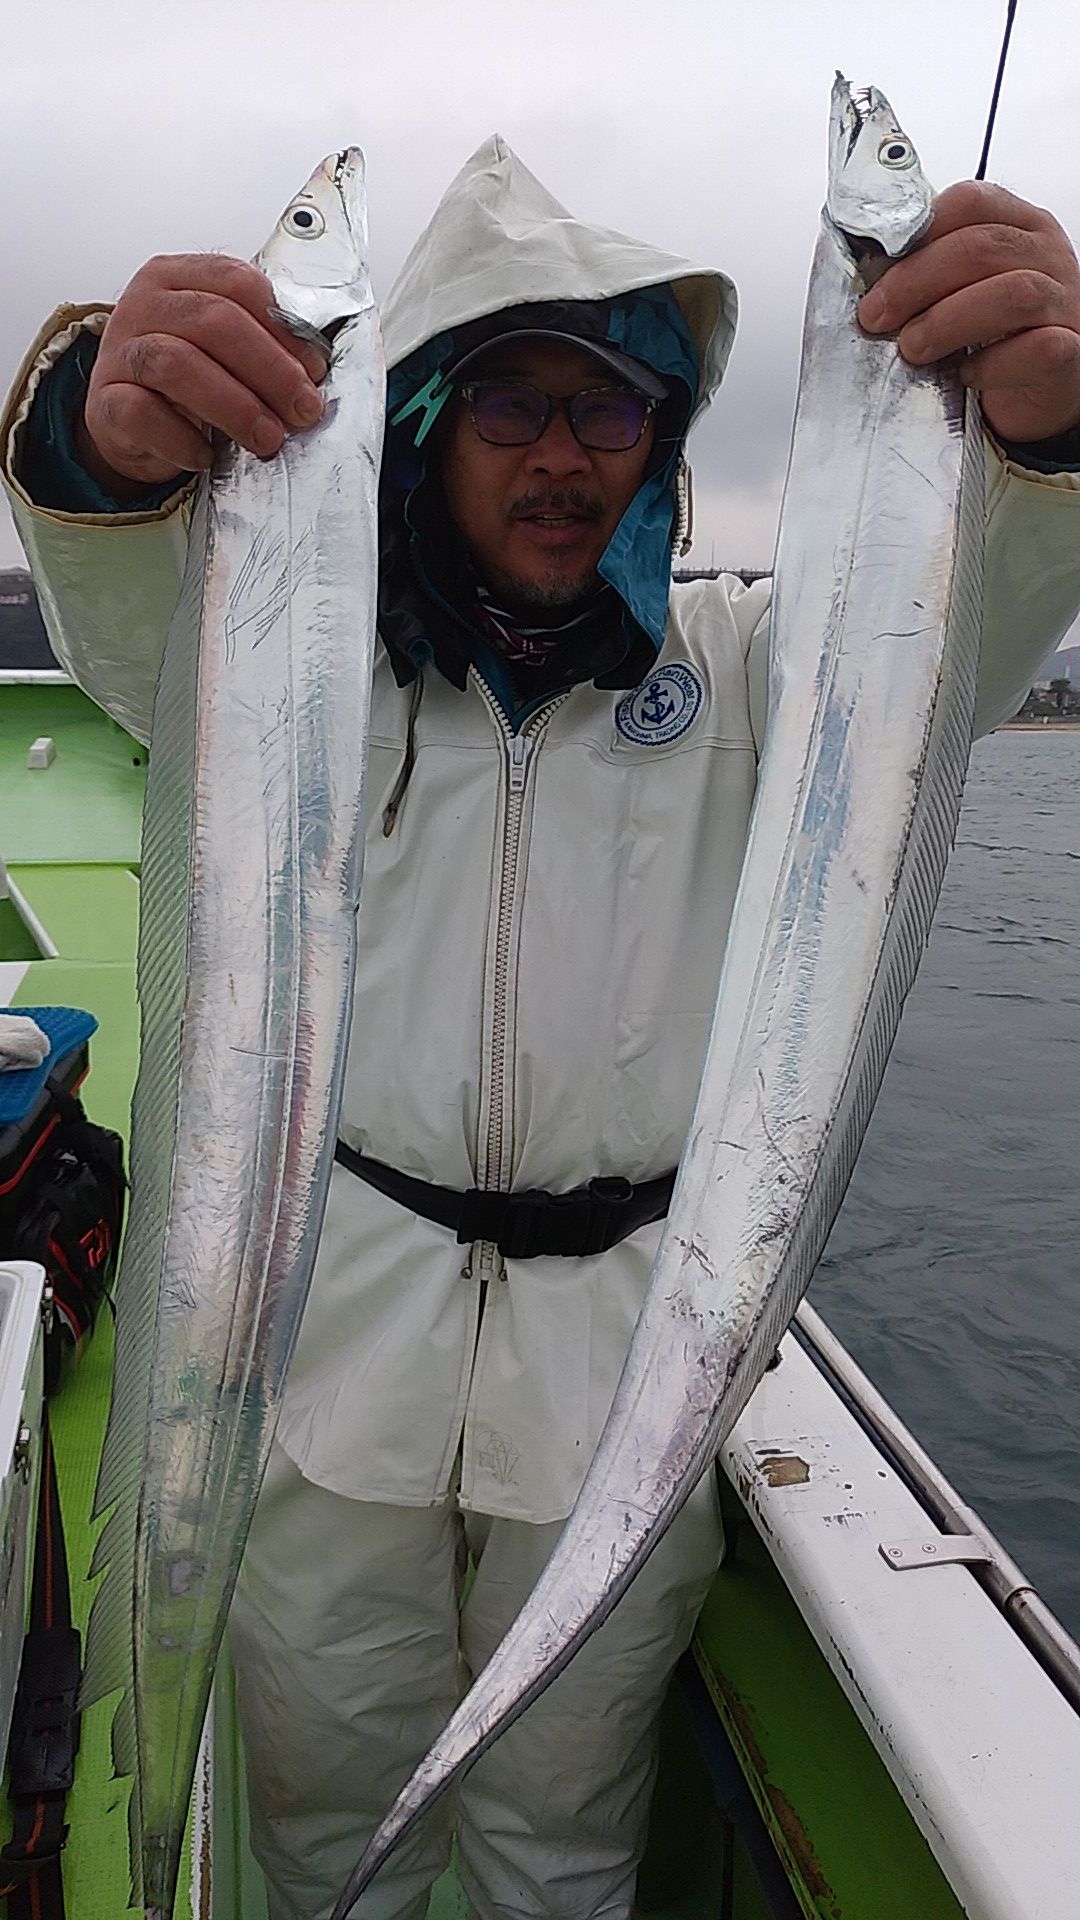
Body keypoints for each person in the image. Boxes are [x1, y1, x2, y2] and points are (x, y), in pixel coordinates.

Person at [4, 134, 1080, 1920]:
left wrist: (1042, 450)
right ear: (425, 424)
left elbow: (947, 640)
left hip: (624, 1383)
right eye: (511, 405)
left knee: (559, 1845)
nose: (564, 456)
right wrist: (96, 447)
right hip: (328, 1357)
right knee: (319, 1830)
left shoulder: (757, 671)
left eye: (611, 411)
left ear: (665, 443)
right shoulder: (301, 660)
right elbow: (130, 620)